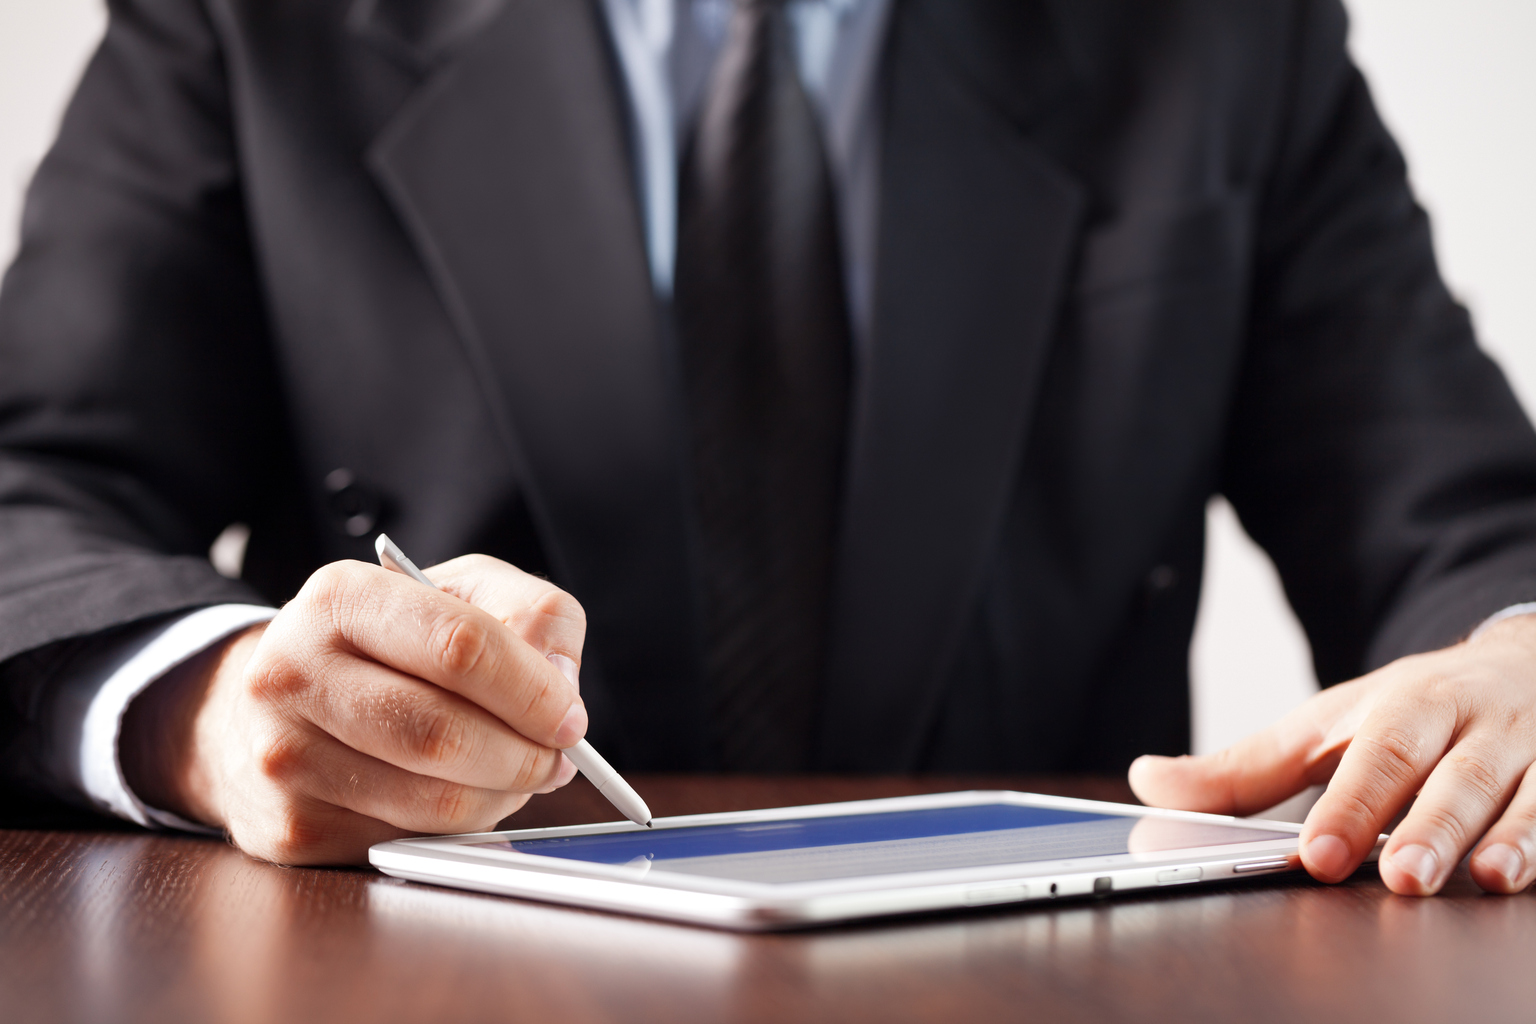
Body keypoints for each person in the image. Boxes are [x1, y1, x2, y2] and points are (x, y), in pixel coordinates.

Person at [2, 0, 1535, 897]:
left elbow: (1455, 516)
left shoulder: (1220, 34)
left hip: (1048, 972)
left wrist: (1518, 659)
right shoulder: (245, 24)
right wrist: (202, 712)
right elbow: (30, 494)